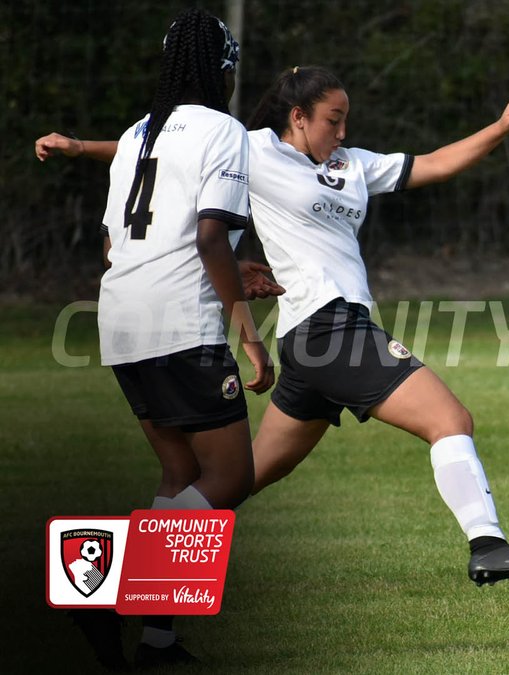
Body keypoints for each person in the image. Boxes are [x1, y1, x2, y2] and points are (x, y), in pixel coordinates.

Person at [40, 66, 509, 588]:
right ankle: (488, 545)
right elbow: (166, 153)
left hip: (311, 343)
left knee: (237, 479)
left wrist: (500, 128)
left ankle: (128, 578)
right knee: (450, 420)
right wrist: (81, 148)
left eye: (345, 121)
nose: (342, 133)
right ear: (298, 116)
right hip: (325, 328)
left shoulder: (352, 165)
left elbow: (435, 164)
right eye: (333, 120)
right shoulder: (253, 149)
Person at [61, 8, 271, 669]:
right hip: (182, 321)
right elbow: (210, 234)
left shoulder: (135, 133)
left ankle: (157, 641)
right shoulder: (224, 131)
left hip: (121, 318)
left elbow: (110, 243)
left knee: (181, 472)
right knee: (230, 473)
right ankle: (102, 587)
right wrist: (249, 333)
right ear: (224, 70)